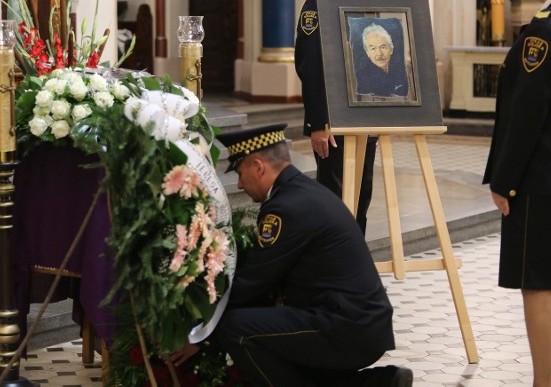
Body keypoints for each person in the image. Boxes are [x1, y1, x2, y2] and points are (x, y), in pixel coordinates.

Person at [172, 124, 412, 386]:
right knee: (278, 338)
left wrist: (200, 335)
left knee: (237, 328)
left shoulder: (285, 209)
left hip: (346, 327)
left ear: (258, 166)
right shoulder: (306, 192)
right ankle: (379, 382)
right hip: (360, 323)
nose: (240, 184)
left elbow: (253, 282)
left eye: (240, 173)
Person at [483, 0, 551, 387]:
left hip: (542, 177)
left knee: (537, 281)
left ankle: (543, 382)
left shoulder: (544, 32)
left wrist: (504, 179)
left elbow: (527, 117)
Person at [295, 0, 377, 233]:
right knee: (335, 196)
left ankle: (354, 265)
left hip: (365, 116)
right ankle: (333, 266)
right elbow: (310, 65)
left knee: (361, 195)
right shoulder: (318, 5)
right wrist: (318, 122)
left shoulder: (371, 2)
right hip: (334, 119)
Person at [354, 23, 409, 98]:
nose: (379, 54)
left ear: (391, 49)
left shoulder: (403, 72)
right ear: (367, 53)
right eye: (373, 48)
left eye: (383, 47)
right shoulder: (360, 79)